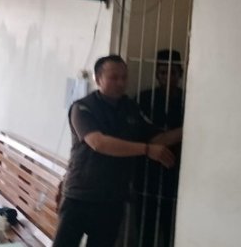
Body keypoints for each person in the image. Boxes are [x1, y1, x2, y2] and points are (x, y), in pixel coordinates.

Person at [53, 55, 182, 247]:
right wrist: (146, 150)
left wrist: (189, 130)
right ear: (98, 79)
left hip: (112, 199)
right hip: (80, 196)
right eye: (114, 77)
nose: (121, 83)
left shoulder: (131, 108)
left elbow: (156, 138)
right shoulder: (82, 107)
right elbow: (98, 143)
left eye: (124, 77)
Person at [133, 49, 185, 247]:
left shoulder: (188, 100)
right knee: (145, 231)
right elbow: (151, 141)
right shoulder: (144, 99)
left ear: (180, 74)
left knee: (171, 230)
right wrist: (184, 131)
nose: (168, 77)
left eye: (173, 72)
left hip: (176, 174)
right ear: (157, 74)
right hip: (147, 175)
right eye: (163, 72)